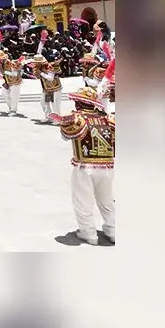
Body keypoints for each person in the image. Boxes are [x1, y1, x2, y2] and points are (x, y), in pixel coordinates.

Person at [50, 86, 115, 245]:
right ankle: (113, 230)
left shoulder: (78, 119)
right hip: (107, 166)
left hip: (85, 167)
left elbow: (66, 135)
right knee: (106, 201)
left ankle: (88, 233)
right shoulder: (107, 119)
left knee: (83, 201)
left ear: (79, 103)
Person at [30, 54, 63, 122]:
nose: (35, 64)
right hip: (46, 89)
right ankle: (49, 117)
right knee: (44, 102)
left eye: (37, 63)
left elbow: (50, 78)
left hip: (55, 89)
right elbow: (38, 77)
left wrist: (41, 73)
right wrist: (36, 73)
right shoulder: (39, 68)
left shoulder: (49, 66)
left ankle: (58, 119)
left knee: (55, 104)